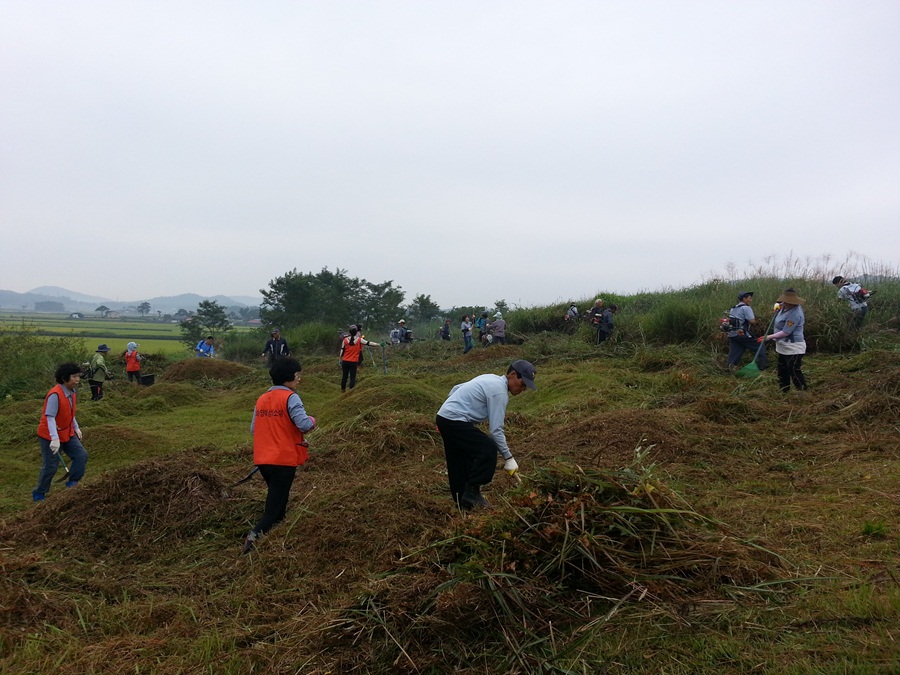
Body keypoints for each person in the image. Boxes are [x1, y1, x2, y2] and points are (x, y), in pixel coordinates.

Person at [435, 360, 537, 510]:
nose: (523, 389)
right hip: (454, 420)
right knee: (487, 449)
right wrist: (508, 458)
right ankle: (472, 492)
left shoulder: (490, 378)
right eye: (523, 384)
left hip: (445, 417)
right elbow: (496, 430)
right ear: (512, 375)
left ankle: (462, 501)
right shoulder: (499, 391)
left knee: (460, 459)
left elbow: (456, 388)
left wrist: (447, 410)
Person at [242, 356, 317, 554]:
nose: (299, 379)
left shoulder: (262, 398)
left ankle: (278, 531)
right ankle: (254, 537)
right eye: (297, 375)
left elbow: (254, 429)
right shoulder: (291, 397)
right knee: (273, 507)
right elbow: (304, 424)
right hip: (283, 461)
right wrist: (312, 419)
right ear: (290, 377)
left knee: (279, 498)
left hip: (263, 461)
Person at [33, 363, 89, 501]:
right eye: (74, 377)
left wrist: (76, 427)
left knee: (81, 455)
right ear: (65, 378)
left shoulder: (72, 392)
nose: (77, 380)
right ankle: (39, 492)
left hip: (67, 432)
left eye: (78, 376)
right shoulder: (55, 395)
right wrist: (54, 438)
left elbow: (69, 412)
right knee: (51, 466)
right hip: (50, 435)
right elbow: (50, 417)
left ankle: (73, 482)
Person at [763, 289, 807, 393]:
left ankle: (802, 392)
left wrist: (769, 337)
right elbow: (779, 305)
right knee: (782, 369)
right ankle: (784, 390)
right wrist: (777, 307)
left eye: (786, 301)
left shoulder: (795, 314)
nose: (784, 303)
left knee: (794, 370)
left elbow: (786, 332)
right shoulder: (785, 306)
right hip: (782, 346)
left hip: (793, 347)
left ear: (793, 302)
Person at [726, 292, 767, 371]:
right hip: (742, 333)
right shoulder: (746, 308)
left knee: (736, 349)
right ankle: (762, 367)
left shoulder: (733, 308)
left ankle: (731, 367)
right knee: (759, 346)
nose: (751, 300)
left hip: (732, 334)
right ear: (744, 299)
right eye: (749, 298)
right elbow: (752, 321)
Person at [339, 325, 380, 392]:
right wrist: (379, 344)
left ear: (350, 332)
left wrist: (340, 358)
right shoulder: (359, 339)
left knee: (344, 376)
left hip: (345, 361)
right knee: (352, 377)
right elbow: (368, 343)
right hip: (353, 362)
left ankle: (343, 390)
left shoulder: (345, 340)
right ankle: (350, 391)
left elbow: (342, 350)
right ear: (356, 332)